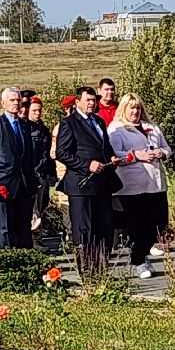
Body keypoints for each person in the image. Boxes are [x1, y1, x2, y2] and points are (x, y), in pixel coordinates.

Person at [55, 85, 122, 271]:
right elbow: (62, 153)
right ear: (77, 102)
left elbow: (104, 147)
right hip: (81, 185)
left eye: (94, 100)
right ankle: (86, 271)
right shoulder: (69, 123)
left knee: (104, 228)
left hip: (102, 184)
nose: (92, 103)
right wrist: (86, 165)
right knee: (84, 231)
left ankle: (101, 269)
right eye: (88, 100)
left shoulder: (99, 122)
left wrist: (111, 158)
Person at [107, 94, 172, 279]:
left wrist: (162, 152)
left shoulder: (152, 127)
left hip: (155, 184)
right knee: (138, 226)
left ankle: (143, 254)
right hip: (133, 185)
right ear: (124, 109)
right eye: (131, 108)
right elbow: (114, 156)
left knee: (158, 223)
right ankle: (138, 261)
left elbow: (168, 148)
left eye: (137, 108)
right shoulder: (116, 129)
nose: (135, 112)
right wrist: (136, 155)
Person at [0, 87, 36, 250]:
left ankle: (25, 262)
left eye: (18, 100)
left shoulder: (26, 126)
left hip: (24, 185)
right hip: (2, 184)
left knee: (24, 228)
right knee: (4, 229)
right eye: (12, 100)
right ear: (3, 103)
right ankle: (7, 262)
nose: (15, 103)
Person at [24, 95, 56, 234]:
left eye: (39, 110)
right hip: (31, 174)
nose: (38, 113)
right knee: (33, 209)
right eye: (34, 111)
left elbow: (47, 153)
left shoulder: (42, 128)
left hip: (43, 173)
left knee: (41, 206)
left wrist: (51, 173)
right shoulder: (25, 129)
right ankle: (35, 239)